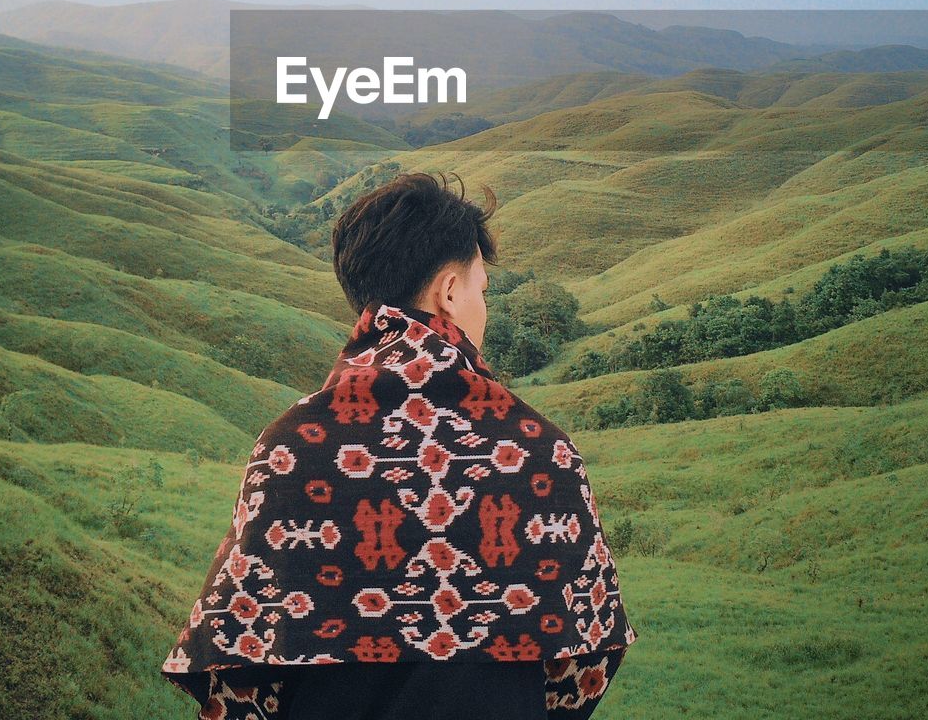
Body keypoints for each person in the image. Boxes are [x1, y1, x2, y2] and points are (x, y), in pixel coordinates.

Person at [162, 171, 635, 718]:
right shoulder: (540, 451)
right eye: (482, 289)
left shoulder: (289, 448)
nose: (484, 306)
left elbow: (232, 667)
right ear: (451, 293)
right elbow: (587, 658)